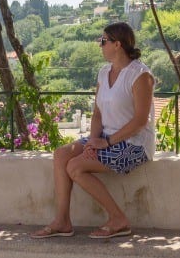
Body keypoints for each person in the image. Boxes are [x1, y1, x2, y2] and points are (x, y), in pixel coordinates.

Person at [31, 22, 155, 239]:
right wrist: (92, 142)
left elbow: (140, 122)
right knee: (62, 154)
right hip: (106, 137)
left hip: (134, 143)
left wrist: (105, 143)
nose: (100, 45)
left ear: (117, 44)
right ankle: (62, 221)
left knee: (75, 166)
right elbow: (97, 113)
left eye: (103, 41)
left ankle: (118, 219)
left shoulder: (140, 75)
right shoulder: (103, 72)